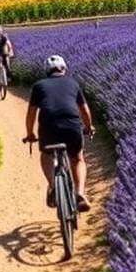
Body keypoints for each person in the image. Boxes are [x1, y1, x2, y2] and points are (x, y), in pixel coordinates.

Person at [24, 55, 94, 212]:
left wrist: (30, 134)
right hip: (72, 125)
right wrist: (89, 127)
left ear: (47, 71)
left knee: (46, 154)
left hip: (49, 127)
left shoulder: (38, 85)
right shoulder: (73, 83)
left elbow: (31, 114)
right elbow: (84, 110)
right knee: (77, 159)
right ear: (64, 69)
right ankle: (80, 193)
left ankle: (53, 185)